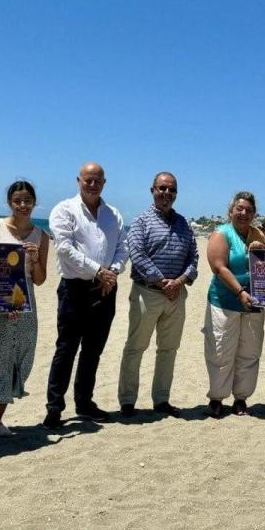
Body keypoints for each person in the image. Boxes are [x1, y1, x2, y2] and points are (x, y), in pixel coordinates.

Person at [43, 162, 128, 429]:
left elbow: (123, 248)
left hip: (106, 289)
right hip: (74, 289)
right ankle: (54, 407)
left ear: (104, 183)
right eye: (88, 180)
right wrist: (97, 271)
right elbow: (64, 249)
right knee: (66, 349)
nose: (92, 185)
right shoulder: (64, 210)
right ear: (78, 180)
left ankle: (84, 402)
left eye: (97, 181)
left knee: (93, 350)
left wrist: (111, 273)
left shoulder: (113, 214)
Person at [117, 172, 199, 418]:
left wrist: (180, 281)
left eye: (171, 189)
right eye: (161, 188)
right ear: (152, 190)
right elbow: (137, 254)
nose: (166, 193)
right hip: (147, 293)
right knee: (135, 347)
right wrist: (162, 282)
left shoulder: (184, 224)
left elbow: (193, 258)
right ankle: (128, 400)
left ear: (176, 193)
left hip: (177, 296)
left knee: (168, 349)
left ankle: (161, 400)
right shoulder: (141, 221)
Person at [0, 181, 49, 436]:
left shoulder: (41, 236)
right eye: (18, 200)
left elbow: (39, 279)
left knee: (19, 357)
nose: (23, 205)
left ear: (34, 202)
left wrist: (36, 258)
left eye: (27, 200)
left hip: (26, 301)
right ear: (10, 203)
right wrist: (1, 301)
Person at [204, 192, 265, 417]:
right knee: (221, 351)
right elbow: (219, 267)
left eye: (249, 210)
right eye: (239, 208)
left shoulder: (257, 233)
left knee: (249, 352)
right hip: (224, 302)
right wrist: (240, 291)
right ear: (231, 210)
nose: (244, 213)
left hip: (255, 303)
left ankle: (241, 398)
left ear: (254, 213)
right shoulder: (221, 234)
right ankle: (216, 398)